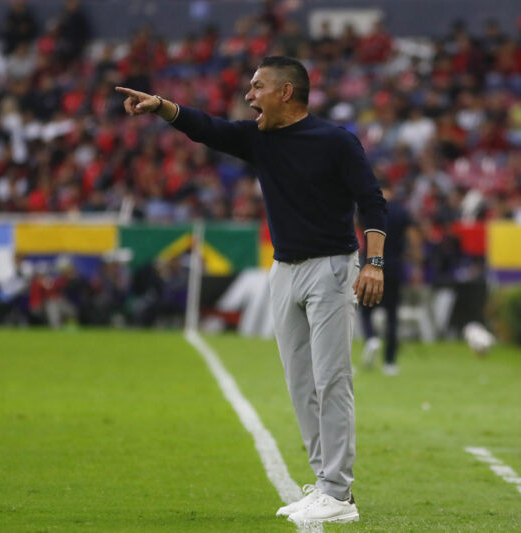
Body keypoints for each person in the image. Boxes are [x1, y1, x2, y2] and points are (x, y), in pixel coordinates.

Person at [116, 55, 387, 524]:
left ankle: (338, 491)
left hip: (331, 268)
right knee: (301, 383)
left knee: (332, 379)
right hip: (283, 270)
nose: (248, 95)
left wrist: (375, 263)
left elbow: (372, 201)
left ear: (286, 92)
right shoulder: (259, 139)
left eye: (257, 86)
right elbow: (207, 128)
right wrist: (160, 105)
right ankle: (326, 483)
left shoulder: (336, 141)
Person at [360, 181, 422, 376]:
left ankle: (371, 337)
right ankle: (389, 362)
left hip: (371, 264)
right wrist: (416, 265)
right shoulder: (401, 211)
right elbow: (414, 239)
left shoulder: (368, 208)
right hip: (394, 266)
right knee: (392, 315)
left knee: (365, 309)